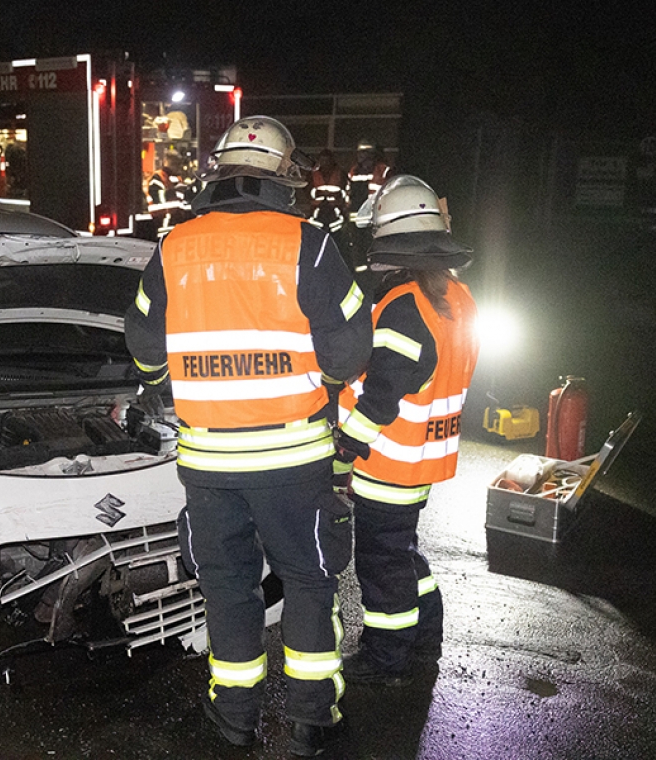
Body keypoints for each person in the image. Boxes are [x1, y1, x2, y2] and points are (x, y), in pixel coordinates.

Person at [125, 116, 373, 757]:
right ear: (284, 178)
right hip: (293, 461)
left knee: (228, 588)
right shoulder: (310, 244)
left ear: (218, 175)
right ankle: (311, 719)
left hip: (208, 463)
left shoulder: (175, 246)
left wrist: (169, 381)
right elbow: (348, 352)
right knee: (310, 584)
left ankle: (234, 717)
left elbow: (144, 345)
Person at [333, 174, 480, 687]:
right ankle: (425, 637)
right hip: (421, 458)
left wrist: (344, 449)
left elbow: (382, 395)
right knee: (402, 551)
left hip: (387, 462)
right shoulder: (456, 298)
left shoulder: (403, 306)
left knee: (381, 563)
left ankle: (386, 655)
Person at [343, 139, 392, 264]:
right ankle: (360, 269)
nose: (360, 156)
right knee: (357, 244)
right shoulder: (354, 171)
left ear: (372, 154)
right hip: (356, 215)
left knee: (372, 243)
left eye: (364, 153)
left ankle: (372, 268)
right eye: (359, 153)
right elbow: (349, 191)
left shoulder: (383, 169)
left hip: (374, 215)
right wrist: (347, 208)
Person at [308, 149, 349, 237]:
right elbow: (307, 191)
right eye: (322, 160)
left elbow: (345, 190)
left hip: (335, 210)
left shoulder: (340, 173)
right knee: (316, 234)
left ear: (332, 160)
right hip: (317, 211)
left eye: (327, 160)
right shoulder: (313, 174)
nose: (325, 163)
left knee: (337, 235)